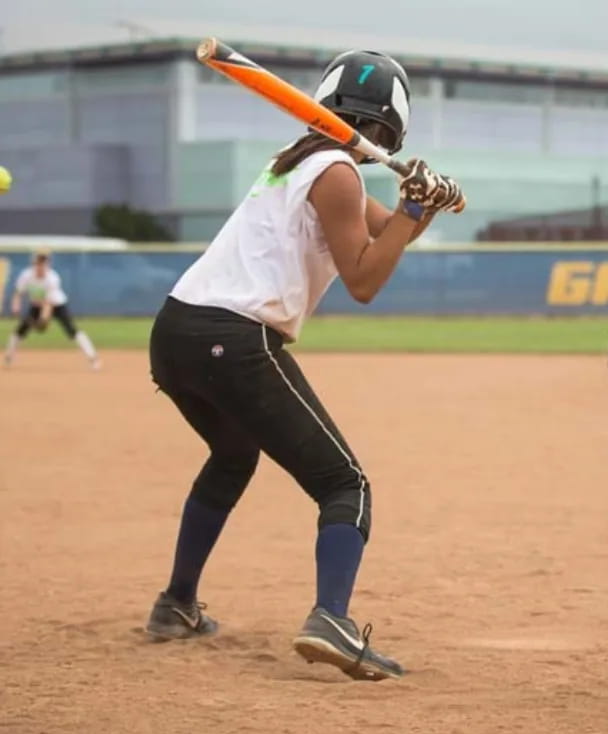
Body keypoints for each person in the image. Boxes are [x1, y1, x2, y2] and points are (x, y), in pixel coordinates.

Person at [144, 50, 463, 681]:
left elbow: (386, 231)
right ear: (393, 125)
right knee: (347, 484)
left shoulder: (302, 163)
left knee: (233, 455)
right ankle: (331, 618)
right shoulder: (339, 173)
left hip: (177, 329)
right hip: (232, 335)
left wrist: (417, 206)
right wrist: (413, 212)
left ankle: (176, 604)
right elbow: (366, 279)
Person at [4, 250, 101, 369]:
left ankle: (93, 358)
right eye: (39, 262)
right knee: (20, 330)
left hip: (57, 305)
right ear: (34, 264)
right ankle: (8, 357)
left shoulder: (52, 278)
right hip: (36, 305)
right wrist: (15, 306)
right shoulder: (26, 275)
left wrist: (43, 320)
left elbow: (48, 303)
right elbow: (18, 293)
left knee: (71, 330)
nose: (41, 266)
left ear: (48, 264)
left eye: (44, 263)